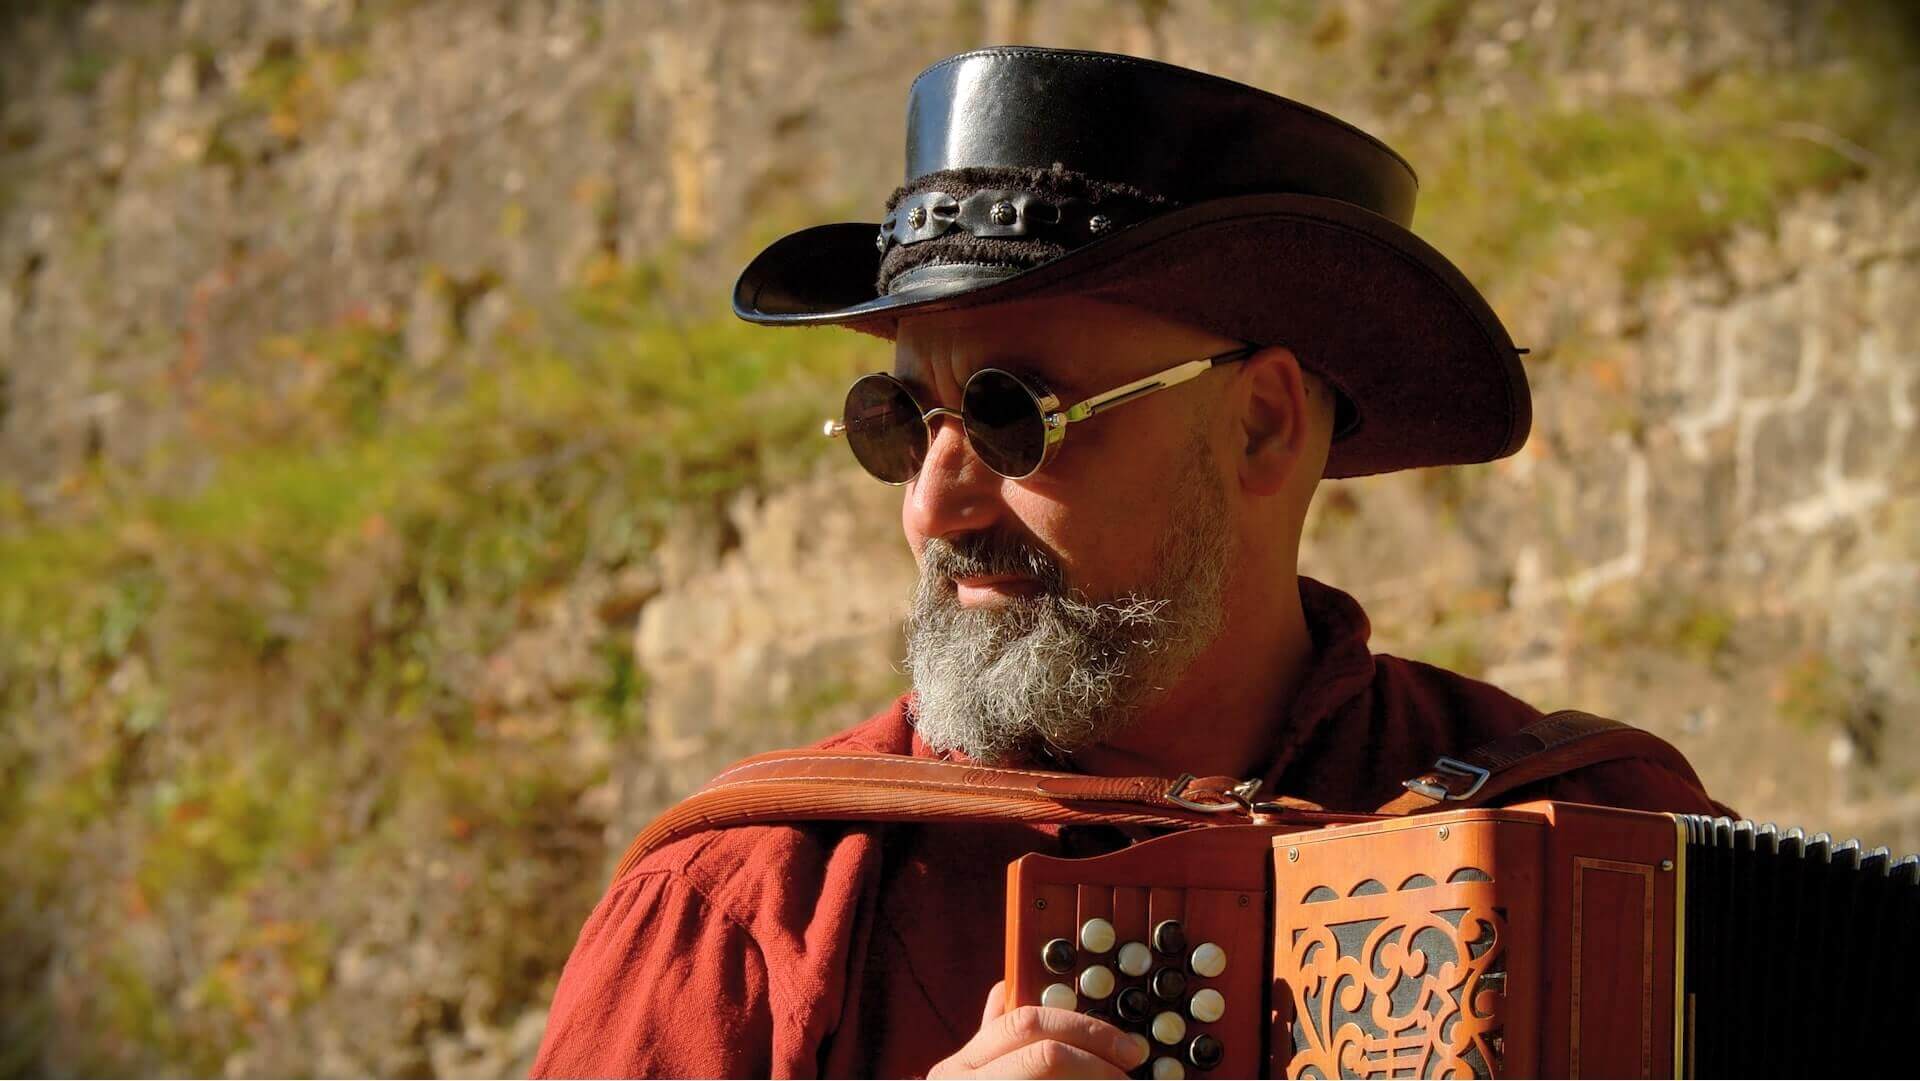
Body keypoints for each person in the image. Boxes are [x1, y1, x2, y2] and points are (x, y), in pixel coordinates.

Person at [532, 46, 1723, 1079]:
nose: (935, 505)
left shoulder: (1604, 840)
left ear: (1262, 425)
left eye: (1013, 416)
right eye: (901, 422)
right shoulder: (741, 909)